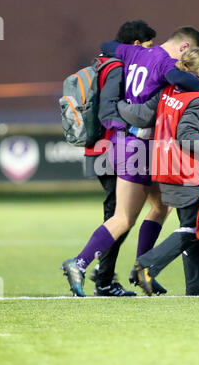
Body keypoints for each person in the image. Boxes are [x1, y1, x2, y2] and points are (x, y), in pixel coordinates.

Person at [64, 27, 199, 297]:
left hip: (141, 146)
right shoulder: (166, 64)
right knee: (123, 217)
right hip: (135, 145)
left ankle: (142, 269)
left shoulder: (135, 52)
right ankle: (79, 263)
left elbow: (107, 44)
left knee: (161, 207)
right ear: (184, 48)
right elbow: (174, 79)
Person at [119, 47, 199, 296]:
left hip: (164, 167)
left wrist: (115, 108)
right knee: (193, 228)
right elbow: (186, 137)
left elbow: (146, 116)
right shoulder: (198, 101)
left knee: (193, 225)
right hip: (185, 171)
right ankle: (146, 265)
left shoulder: (168, 91)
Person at [62, 20, 161, 297]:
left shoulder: (105, 61)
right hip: (109, 149)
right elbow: (107, 111)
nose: (151, 52)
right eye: (149, 45)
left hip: (106, 149)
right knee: (120, 217)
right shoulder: (117, 67)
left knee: (121, 215)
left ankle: (109, 274)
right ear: (137, 45)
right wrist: (133, 129)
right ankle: (101, 277)